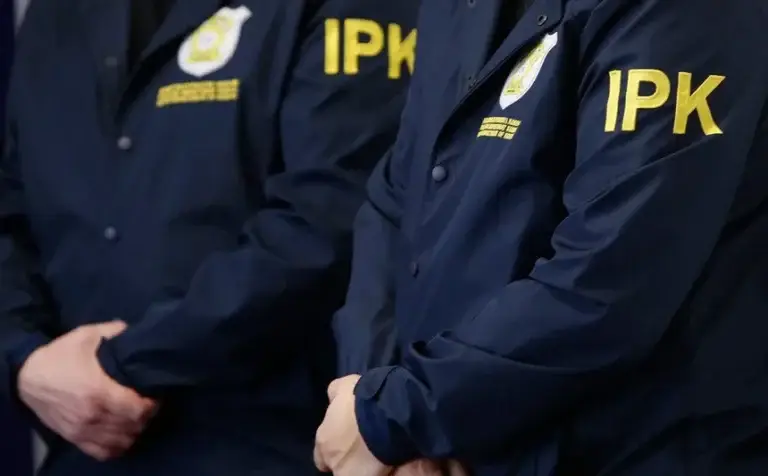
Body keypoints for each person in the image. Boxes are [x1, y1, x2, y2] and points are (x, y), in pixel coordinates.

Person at [315, 0, 768, 474]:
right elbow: (396, 201)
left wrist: (395, 418)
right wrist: (373, 397)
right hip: (453, 440)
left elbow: (609, 281)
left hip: (632, 450)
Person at [0, 0, 418, 474]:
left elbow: (327, 224)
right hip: (84, 446)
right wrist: (24, 359)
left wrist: (116, 365)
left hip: (267, 440)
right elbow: (13, 207)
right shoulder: (57, 13)